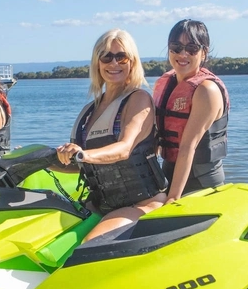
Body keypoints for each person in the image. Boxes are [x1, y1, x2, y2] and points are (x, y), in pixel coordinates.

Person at [56, 29, 167, 241]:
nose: (113, 63)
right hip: (100, 204)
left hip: (141, 203)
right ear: (97, 63)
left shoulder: (138, 99)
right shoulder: (90, 110)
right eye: (106, 56)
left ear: (132, 62)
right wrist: (41, 159)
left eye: (121, 57)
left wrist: (83, 154)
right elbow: (77, 164)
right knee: (50, 235)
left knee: (90, 245)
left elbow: (124, 149)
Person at [153, 19, 229, 201]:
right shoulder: (166, 83)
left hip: (202, 183)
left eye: (192, 48)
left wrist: (172, 199)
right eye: (176, 47)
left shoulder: (206, 90)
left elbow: (188, 146)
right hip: (168, 174)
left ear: (204, 52)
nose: (183, 54)